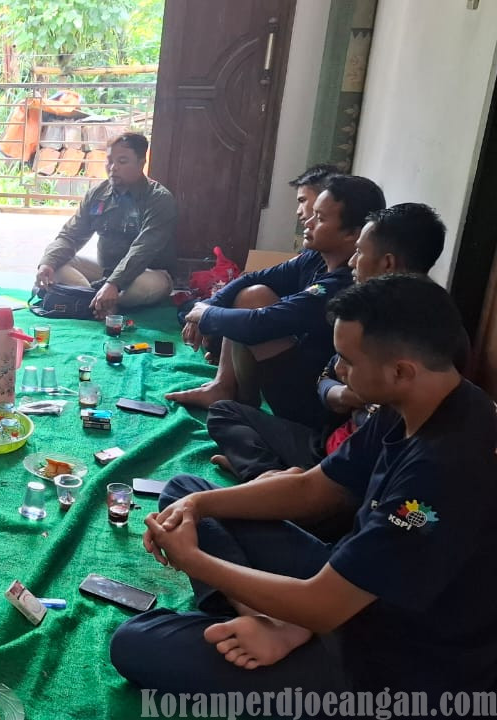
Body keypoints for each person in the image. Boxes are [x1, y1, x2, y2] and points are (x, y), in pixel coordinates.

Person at [110, 275, 497, 701]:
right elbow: (316, 488)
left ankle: (284, 628)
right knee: (185, 492)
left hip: (390, 666)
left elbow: (325, 605)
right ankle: (270, 621)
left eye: (347, 360)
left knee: (136, 642)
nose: (339, 371)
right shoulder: (417, 402)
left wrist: (195, 561)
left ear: (401, 370)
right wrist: (200, 503)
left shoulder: (442, 473)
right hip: (349, 586)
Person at [206, 203, 448, 488]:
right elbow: (328, 373)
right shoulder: (363, 304)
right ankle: (266, 476)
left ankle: (270, 481)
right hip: (327, 442)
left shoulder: (418, 332)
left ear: (387, 263)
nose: (352, 261)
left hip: (345, 468)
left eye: (360, 252)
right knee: (224, 411)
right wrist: (338, 394)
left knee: (185, 493)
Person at [166, 174, 386, 428]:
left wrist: (205, 315)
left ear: (353, 234)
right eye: (312, 213)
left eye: (321, 218)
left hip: (313, 399)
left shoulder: (345, 284)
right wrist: (207, 306)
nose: (307, 221)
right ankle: (222, 387)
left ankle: (244, 409)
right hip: (300, 367)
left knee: (250, 315)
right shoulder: (315, 258)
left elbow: (261, 324)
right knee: (253, 293)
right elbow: (254, 278)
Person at [34, 132, 177, 319]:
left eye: (122, 161)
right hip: (104, 273)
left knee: (144, 287)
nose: (113, 167)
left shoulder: (159, 199)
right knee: (57, 264)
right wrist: (47, 264)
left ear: (141, 163)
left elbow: (143, 250)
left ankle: (88, 300)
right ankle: (97, 303)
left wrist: (114, 284)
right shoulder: (97, 194)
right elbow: (70, 235)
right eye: (109, 160)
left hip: (146, 274)